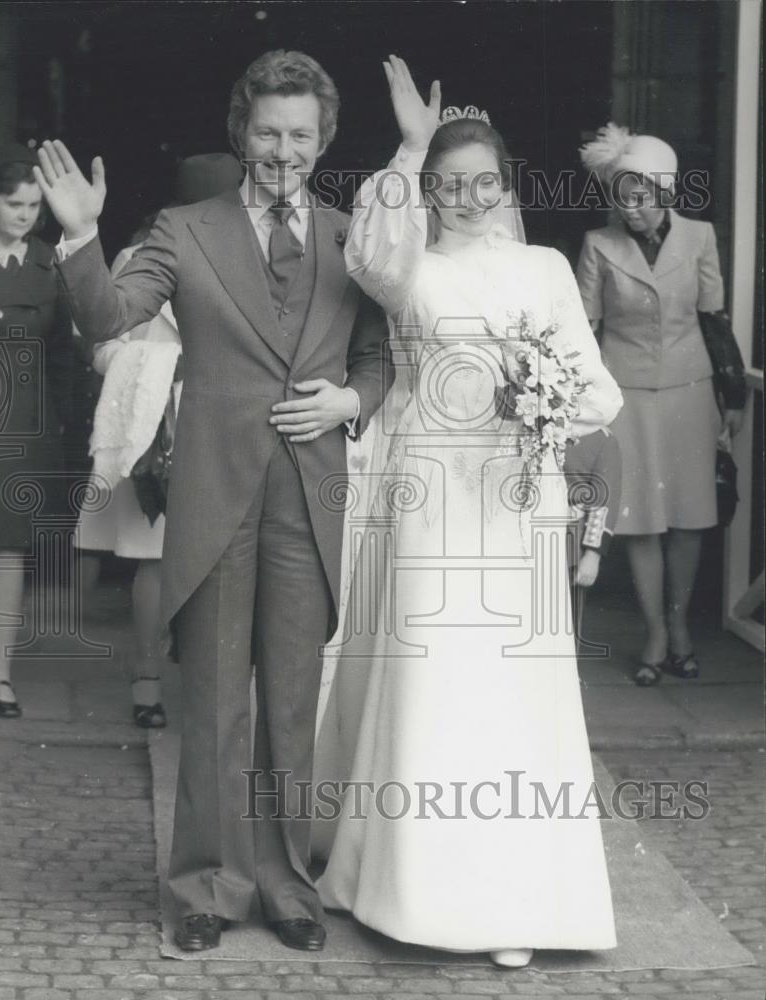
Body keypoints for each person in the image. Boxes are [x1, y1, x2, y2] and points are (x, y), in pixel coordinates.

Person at [33, 50, 392, 953]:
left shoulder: (356, 238)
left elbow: (378, 358)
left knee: (292, 701)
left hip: (310, 494)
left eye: (299, 134)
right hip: (213, 495)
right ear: (242, 134)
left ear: (323, 139)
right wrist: (80, 239)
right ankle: (206, 883)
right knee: (216, 701)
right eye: (267, 131)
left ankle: (287, 886)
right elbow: (110, 319)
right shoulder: (183, 229)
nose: (282, 149)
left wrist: (352, 401)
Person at [314, 56, 622, 968]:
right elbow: (367, 252)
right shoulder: (409, 270)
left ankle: (514, 897)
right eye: (447, 185)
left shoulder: (546, 269)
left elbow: (599, 393)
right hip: (429, 495)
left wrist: (542, 398)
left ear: (507, 185)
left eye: (482, 182)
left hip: (516, 499)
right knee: (434, 678)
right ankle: (406, 884)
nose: (466, 198)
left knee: (510, 692)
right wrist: (408, 149)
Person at [75, 153, 243, 729]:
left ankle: (208, 686)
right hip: (156, 429)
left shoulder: (257, 258)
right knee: (154, 559)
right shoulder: (139, 258)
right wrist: (162, 367)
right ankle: (146, 683)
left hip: (231, 428)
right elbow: (100, 345)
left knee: (225, 561)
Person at [576, 124, 746, 686]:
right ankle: (654, 632)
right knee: (641, 521)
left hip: (690, 393)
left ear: (664, 193)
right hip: (626, 396)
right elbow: (585, 329)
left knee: (689, 517)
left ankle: (680, 629)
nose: (630, 210)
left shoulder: (699, 238)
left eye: (641, 198)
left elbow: (714, 320)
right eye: (622, 198)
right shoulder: (598, 245)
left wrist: (733, 396)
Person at [0, 144, 73, 719]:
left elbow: (63, 355)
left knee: (5, 547)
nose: (26, 214)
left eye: (35, 205)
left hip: (19, 425)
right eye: (15, 203)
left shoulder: (50, 264)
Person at [563, 428, 622, 640]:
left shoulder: (601, 439)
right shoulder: (529, 426)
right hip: (523, 540)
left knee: (566, 624)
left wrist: (592, 553)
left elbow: (603, 501)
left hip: (570, 547)